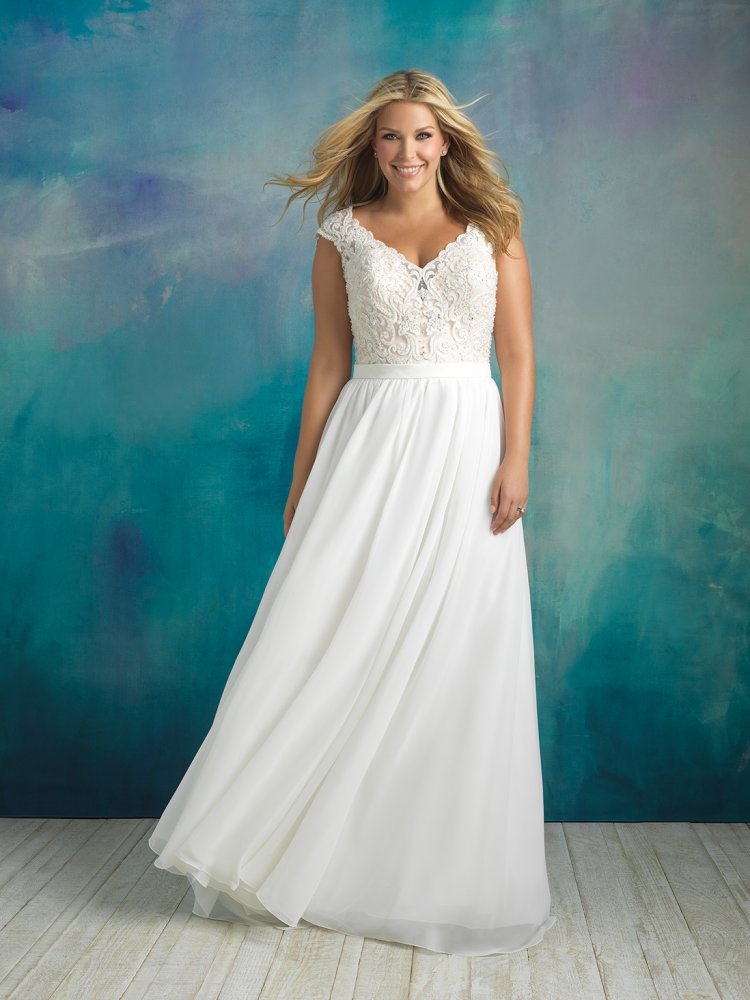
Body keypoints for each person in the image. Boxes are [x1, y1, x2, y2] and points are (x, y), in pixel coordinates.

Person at [148, 68, 556, 957]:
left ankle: (434, 870)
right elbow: (330, 361)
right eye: (391, 136)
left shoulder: (495, 229)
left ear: (446, 143)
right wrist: (304, 479)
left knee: (458, 645)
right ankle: (298, 852)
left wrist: (515, 457)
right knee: (337, 632)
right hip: (368, 446)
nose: (407, 151)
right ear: (373, 145)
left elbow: (519, 355)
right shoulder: (343, 232)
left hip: (466, 447)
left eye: (423, 135)